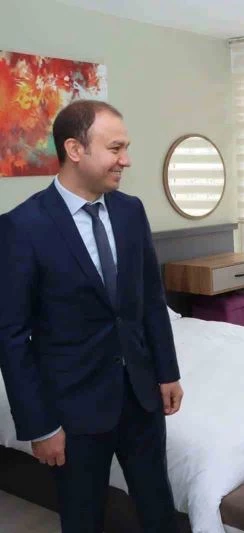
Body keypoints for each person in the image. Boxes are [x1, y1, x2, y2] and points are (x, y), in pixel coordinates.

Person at [0, 99, 183, 533]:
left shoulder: (130, 211)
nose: (126, 160)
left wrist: (167, 372)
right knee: (82, 519)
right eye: (115, 148)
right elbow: (11, 336)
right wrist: (40, 426)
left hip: (141, 397)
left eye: (126, 147)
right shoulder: (22, 227)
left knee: (158, 509)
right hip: (74, 411)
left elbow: (151, 300)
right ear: (75, 149)